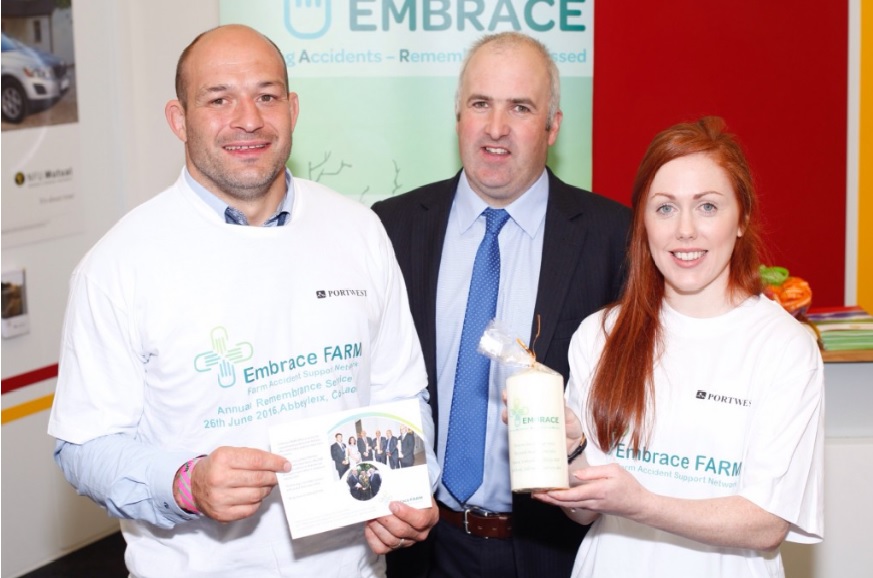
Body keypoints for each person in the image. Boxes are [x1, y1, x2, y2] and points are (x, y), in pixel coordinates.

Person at [46, 24, 440, 578]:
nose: (249, 119)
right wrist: (185, 482)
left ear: (293, 108)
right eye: (219, 99)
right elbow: (83, 447)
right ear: (178, 119)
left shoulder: (359, 231)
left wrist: (414, 487)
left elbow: (401, 392)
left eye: (267, 95)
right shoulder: (118, 265)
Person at [372, 31, 631, 578]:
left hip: (555, 550)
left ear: (553, 125)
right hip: (421, 546)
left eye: (520, 107)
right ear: (458, 115)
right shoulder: (392, 228)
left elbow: (634, 398)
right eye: (480, 104)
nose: (495, 128)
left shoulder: (613, 237)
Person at [535, 117, 825, 577]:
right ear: (642, 222)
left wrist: (643, 504)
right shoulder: (601, 334)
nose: (684, 230)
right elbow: (584, 511)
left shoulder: (784, 346)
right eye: (665, 208)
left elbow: (767, 522)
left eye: (707, 207)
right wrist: (567, 449)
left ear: (742, 218)